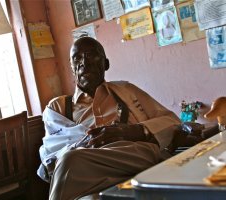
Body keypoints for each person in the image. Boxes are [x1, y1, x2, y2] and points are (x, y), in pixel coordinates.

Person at [38, 36, 181, 200]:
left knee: (70, 160)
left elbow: (173, 121)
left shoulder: (126, 90)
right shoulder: (58, 108)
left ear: (106, 64)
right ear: (71, 67)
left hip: (133, 155)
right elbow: (51, 155)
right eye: (77, 57)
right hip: (89, 170)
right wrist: (83, 145)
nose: (85, 62)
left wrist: (133, 131)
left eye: (92, 55)